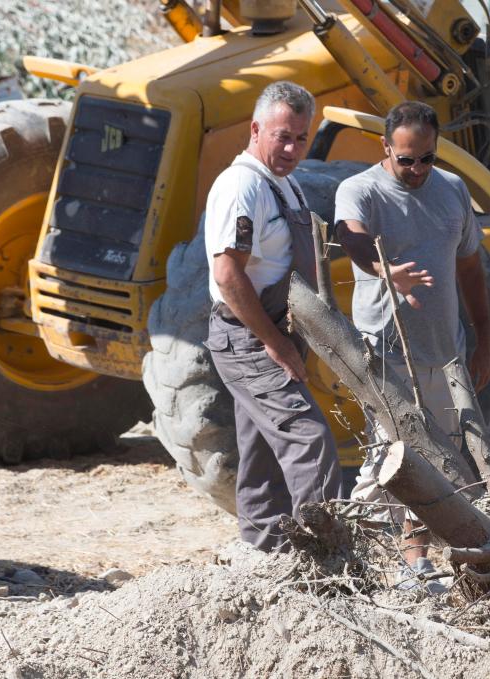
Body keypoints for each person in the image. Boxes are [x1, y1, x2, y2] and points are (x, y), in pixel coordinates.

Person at [334, 100, 490, 578]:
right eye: (406, 159)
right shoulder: (359, 190)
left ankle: (418, 562)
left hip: (444, 352)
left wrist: (484, 337)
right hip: (386, 353)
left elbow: (470, 265)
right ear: (386, 147)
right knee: (388, 458)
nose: (418, 169)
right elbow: (352, 238)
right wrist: (385, 270)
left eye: (428, 158)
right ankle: (348, 556)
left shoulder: (452, 190)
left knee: (438, 460)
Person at [203, 81, 342, 552]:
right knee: (310, 443)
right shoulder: (243, 185)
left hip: (273, 331)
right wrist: (275, 343)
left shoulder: (283, 182)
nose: (291, 148)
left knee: (262, 455)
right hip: (249, 336)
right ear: (256, 129)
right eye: (282, 136)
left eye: (301, 138)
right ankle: (325, 563)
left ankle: (264, 557)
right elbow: (227, 275)